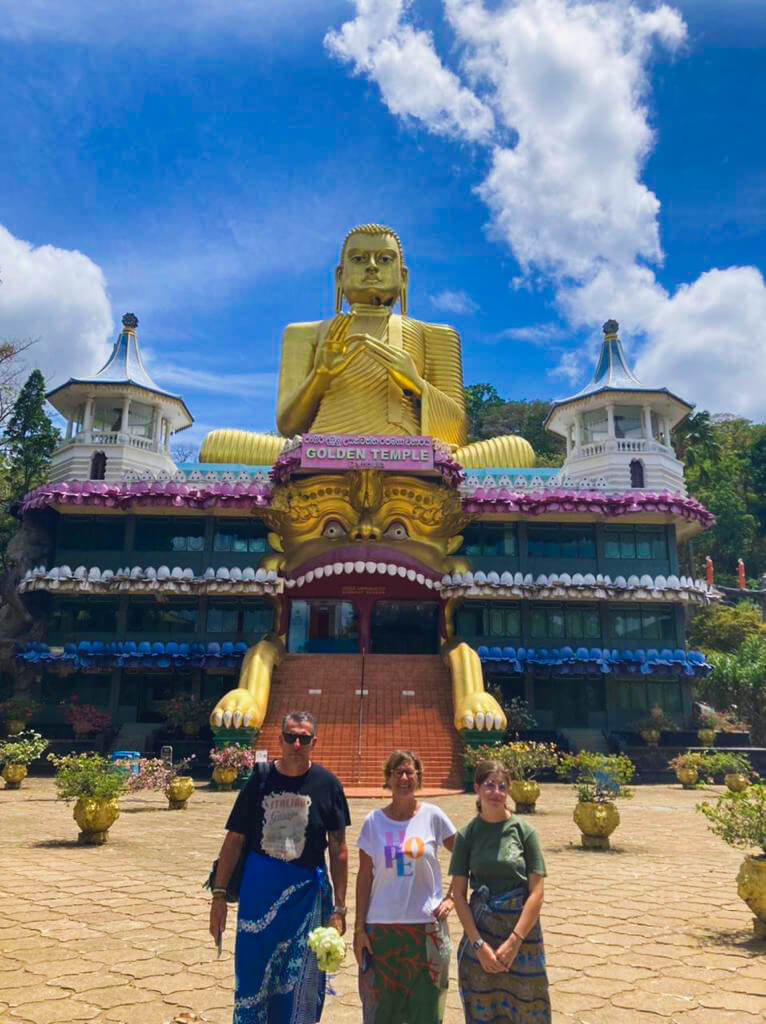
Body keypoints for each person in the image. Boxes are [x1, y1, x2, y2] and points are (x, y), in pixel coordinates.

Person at [208, 711, 350, 1024]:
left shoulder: (328, 785)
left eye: (303, 738)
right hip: (260, 890)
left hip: (306, 896)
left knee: (300, 976)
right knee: (253, 972)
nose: (296, 744)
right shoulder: (260, 778)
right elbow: (235, 838)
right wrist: (219, 895)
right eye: (290, 737)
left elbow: (339, 849)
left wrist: (339, 909)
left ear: (314, 741)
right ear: (280, 739)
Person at [353, 750, 456, 1024]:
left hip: (426, 928)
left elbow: (464, 855)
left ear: (418, 777)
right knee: (381, 1011)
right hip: (381, 930)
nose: (404, 777)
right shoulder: (373, 822)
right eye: (397, 772)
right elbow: (364, 878)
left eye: (410, 772)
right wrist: (359, 929)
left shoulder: (433, 816)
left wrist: (452, 896)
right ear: (388, 778)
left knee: (427, 1010)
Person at [449, 759, 551, 1023]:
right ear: (477, 789)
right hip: (481, 935)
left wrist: (514, 942)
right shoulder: (466, 836)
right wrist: (478, 944)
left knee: (528, 1008)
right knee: (484, 1008)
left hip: (522, 936)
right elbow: (458, 895)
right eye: (489, 785)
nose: (496, 792)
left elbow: (536, 892)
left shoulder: (524, 832)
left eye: (501, 787)